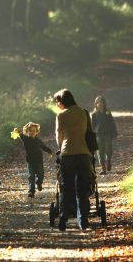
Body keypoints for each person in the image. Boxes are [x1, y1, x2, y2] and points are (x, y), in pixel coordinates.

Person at [54, 88, 93, 231]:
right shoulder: (84, 112)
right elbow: (88, 132)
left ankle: (63, 219)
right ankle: (83, 221)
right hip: (83, 153)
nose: (57, 105)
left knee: (66, 188)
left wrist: (62, 147)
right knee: (82, 189)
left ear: (62, 101)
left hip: (68, 154)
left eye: (57, 102)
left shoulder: (61, 116)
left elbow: (59, 136)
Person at [18, 122, 52, 198]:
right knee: (31, 176)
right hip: (30, 162)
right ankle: (31, 191)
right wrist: (17, 132)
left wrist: (49, 151)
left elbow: (43, 147)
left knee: (41, 175)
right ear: (27, 132)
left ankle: (39, 183)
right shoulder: (26, 139)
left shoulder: (38, 141)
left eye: (34, 130)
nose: (32, 132)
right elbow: (21, 135)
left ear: (37, 132)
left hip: (39, 161)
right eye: (30, 131)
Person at [91, 96, 118, 174]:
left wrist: (114, 133)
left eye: (101, 102)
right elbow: (93, 126)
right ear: (95, 104)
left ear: (104, 103)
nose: (100, 104)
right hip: (98, 135)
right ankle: (103, 168)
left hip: (107, 134)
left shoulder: (107, 113)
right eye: (98, 102)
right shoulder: (94, 114)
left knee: (108, 150)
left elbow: (112, 123)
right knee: (100, 152)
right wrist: (92, 136)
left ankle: (108, 160)